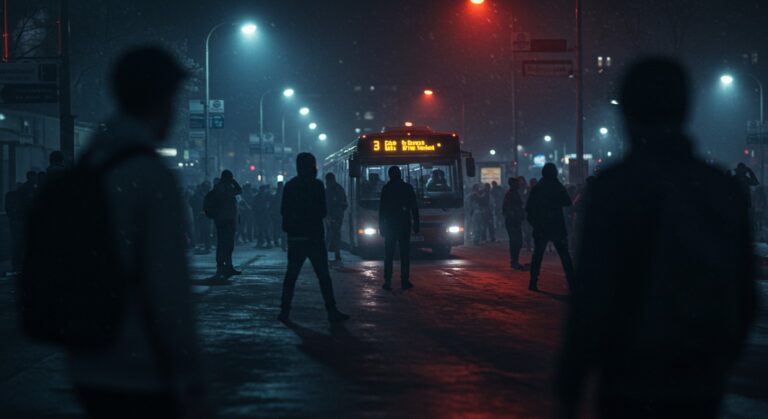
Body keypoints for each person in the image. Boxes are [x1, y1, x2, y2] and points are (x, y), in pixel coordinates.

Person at [558, 58, 757, 419]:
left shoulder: (612, 190)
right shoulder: (720, 189)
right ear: (684, 109)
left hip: (627, 380)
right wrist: (716, 360)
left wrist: (570, 387)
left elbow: (590, 298)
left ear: (628, 115)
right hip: (698, 380)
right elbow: (744, 296)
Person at [67, 46, 204, 418]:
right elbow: (168, 284)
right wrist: (187, 369)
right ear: (161, 100)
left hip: (87, 360)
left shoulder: (91, 163)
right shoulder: (150, 175)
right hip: (142, 366)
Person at [278, 153, 350, 323]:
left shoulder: (290, 186)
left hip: (296, 238)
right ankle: (332, 311)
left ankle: (284, 310)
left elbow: (284, 211)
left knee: (291, 276)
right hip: (314, 238)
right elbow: (322, 211)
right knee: (323, 276)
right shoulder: (317, 186)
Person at [525, 163, 575, 291]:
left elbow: (529, 208)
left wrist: (535, 223)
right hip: (556, 226)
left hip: (541, 227)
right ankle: (573, 283)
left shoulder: (537, 188)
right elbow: (568, 201)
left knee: (538, 255)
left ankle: (533, 282)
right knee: (565, 257)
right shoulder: (556, 187)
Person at [379, 165, 420, 290]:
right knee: (405, 254)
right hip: (404, 225)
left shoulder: (386, 189)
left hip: (390, 225)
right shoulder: (407, 188)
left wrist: (381, 226)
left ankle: (387, 281)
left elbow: (381, 210)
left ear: (390, 175)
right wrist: (416, 223)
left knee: (389, 254)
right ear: (400, 175)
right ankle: (405, 281)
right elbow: (414, 207)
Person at [210, 169, 242, 279]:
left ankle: (225, 266)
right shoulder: (225, 188)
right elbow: (239, 190)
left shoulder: (217, 187)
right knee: (227, 245)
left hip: (221, 220)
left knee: (223, 244)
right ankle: (224, 267)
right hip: (226, 219)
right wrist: (233, 181)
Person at [502, 177, 527, 270]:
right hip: (512, 221)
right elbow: (508, 209)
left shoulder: (514, 193)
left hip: (514, 220)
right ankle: (514, 261)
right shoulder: (511, 194)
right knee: (515, 241)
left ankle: (515, 260)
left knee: (517, 241)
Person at [325, 172, 348, 262]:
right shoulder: (339, 189)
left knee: (330, 235)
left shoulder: (329, 190)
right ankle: (336, 254)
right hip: (336, 215)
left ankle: (328, 253)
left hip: (331, 215)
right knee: (336, 235)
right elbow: (344, 204)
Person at [189, 182, 212, 253]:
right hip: (199, 216)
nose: (207, 189)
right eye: (206, 187)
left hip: (206, 215)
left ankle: (207, 246)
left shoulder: (208, 195)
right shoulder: (196, 195)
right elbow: (191, 202)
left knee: (207, 231)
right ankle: (199, 246)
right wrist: (197, 211)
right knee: (199, 231)